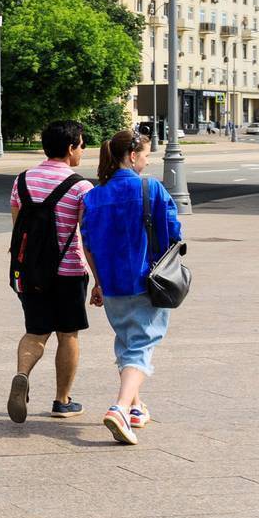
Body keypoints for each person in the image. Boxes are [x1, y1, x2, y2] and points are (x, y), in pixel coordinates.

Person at [80, 128, 182, 445]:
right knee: (141, 344)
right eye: (147, 156)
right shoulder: (151, 188)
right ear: (133, 155)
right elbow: (174, 231)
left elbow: (88, 244)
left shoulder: (94, 196)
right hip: (145, 281)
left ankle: (136, 408)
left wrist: (98, 282)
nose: (147, 162)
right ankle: (121, 408)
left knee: (127, 342)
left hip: (111, 284)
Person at [3, 120, 96, 425]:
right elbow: (88, 238)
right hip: (68, 271)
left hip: (30, 271)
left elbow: (18, 227)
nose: (83, 150)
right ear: (70, 148)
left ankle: (22, 374)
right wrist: (99, 280)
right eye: (81, 145)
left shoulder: (22, 180)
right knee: (68, 333)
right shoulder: (81, 187)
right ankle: (62, 400)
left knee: (36, 330)